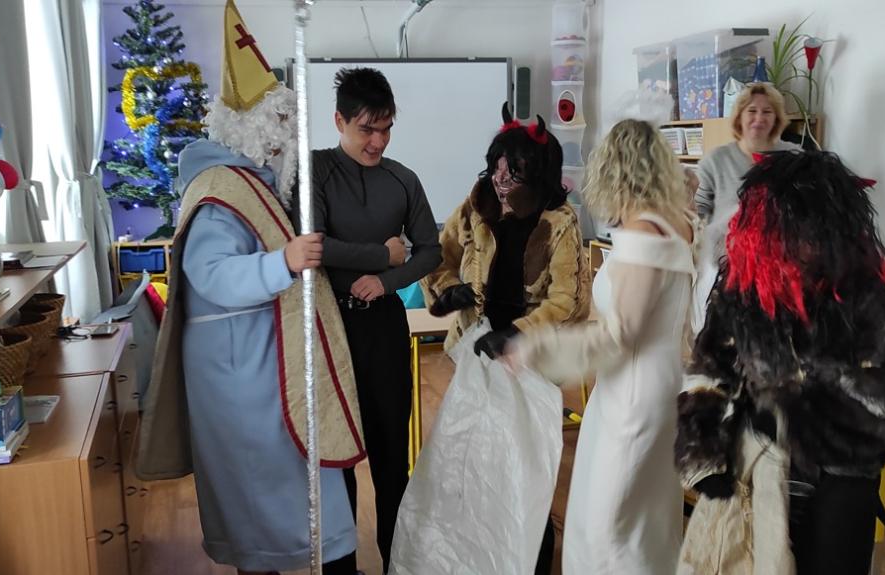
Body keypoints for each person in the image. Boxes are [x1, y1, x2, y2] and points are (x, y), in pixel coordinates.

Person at [133, 2, 364, 573]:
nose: (286, 144)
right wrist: (283, 262)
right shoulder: (220, 191)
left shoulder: (249, 184)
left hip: (264, 364)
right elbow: (211, 274)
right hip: (243, 377)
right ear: (252, 130)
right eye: (279, 129)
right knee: (262, 502)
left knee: (308, 498)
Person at [675, 150, 885, 574]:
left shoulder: (870, 293)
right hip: (761, 473)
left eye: (813, 230)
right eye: (789, 229)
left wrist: (800, 415)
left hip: (842, 476)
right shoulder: (743, 288)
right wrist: (705, 452)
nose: (804, 245)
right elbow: (709, 370)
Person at [504, 118, 696, 574]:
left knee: (608, 527)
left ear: (613, 169)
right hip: (653, 383)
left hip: (633, 394)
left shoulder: (643, 235)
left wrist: (538, 349)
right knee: (644, 521)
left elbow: (619, 334)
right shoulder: (677, 224)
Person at [421, 103, 588, 573]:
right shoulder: (476, 206)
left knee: (528, 467)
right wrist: (448, 290)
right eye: (496, 167)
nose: (499, 179)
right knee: (476, 461)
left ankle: (532, 557)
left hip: (531, 360)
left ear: (537, 173)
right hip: (477, 352)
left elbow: (568, 299)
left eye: (512, 172)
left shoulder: (560, 222)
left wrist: (517, 333)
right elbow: (438, 256)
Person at [301, 66, 442, 573]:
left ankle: (396, 562)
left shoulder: (403, 179)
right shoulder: (316, 169)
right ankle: (340, 567)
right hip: (330, 329)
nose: (377, 141)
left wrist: (387, 282)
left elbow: (430, 251)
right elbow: (314, 246)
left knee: (390, 456)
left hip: (384, 326)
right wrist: (383, 255)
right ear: (339, 121)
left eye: (386, 129)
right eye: (366, 129)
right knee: (336, 456)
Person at [692, 83, 799, 330]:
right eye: (752, 111)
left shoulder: (794, 157)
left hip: (780, 269)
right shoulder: (716, 160)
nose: (759, 118)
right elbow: (697, 210)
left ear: (777, 119)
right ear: (739, 116)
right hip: (728, 268)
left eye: (767, 112)